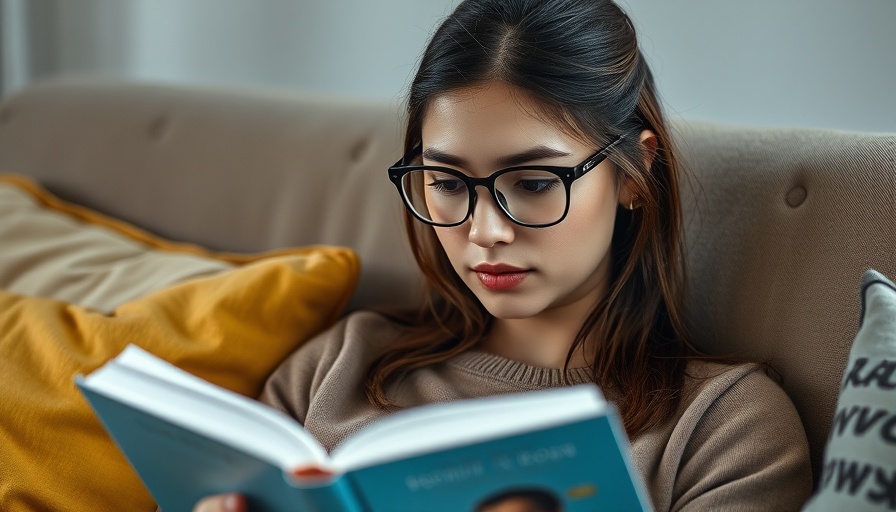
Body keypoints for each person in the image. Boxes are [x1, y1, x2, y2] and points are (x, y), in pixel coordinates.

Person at [194, 0, 812, 510]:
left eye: (536, 183)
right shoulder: (340, 365)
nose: (485, 231)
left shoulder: (722, 426)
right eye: (449, 184)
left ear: (634, 172)